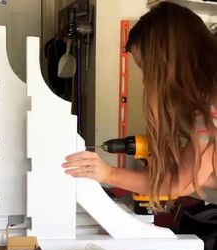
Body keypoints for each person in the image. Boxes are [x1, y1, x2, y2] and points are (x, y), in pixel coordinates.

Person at [62, 1, 217, 211]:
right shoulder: (204, 99)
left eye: (146, 69)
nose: (146, 81)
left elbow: (177, 183)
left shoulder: (210, 105)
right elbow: (187, 179)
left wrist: (108, 173)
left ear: (166, 62)